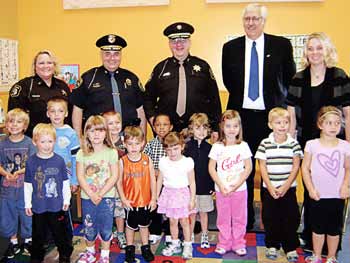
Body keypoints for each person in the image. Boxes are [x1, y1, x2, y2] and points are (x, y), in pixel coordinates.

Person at [221, 3, 296, 230]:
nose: (251, 23)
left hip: (270, 118)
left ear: (263, 21)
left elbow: (288, 77)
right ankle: (245, 220)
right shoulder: (230, 47)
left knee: (271, 169)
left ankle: (271, 220)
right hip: (240, 120)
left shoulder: (281, 45)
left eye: (255, 19)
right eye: (247, 19)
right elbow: (229, 81)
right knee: (242, 168)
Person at [286, 32, 350, 249]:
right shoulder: (298, 78)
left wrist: (349, 146)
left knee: (334, 192)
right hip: (309, 144)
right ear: (305, 53)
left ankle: (333, 240)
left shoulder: (339, 75)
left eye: (319, 48)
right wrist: (291, 145)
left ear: (327, 50)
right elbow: (291, 115)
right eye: (311, 48)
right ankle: (310, 235)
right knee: (312, 189)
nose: (315, 52)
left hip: (335, 145)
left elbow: (348, 115)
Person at [144, 22, 222, 138]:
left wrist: (215, 128)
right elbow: (148, 98)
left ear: (189, 42)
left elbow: (214, 99)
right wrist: (153, 119)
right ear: (169, 44)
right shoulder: (161, 68)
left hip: (196, 131)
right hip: (167, 133)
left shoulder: (202, 66)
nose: (178, 44)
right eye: (174, 41)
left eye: (183, 40)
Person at [70, 34, 147, 137]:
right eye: (107, 54)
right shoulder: (89, 78)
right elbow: (77, 109)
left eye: (116, 54)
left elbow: (140, 110)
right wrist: (78, 138)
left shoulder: (131, 78)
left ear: (120, 55)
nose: (112, 58)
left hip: (129, 139)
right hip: (98, 139)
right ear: (101, 55)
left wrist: (143, 137)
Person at [301, 106, 350, 263]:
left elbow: (348, 168)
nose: (333, 126)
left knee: (334, 230)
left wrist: (345, 186)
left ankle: (331, 256)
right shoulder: (311, 144)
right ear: (320, 124)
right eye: (329, 123)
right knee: (317, 228)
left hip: (337, 195)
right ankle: (316, 254)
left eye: (337, 123)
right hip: (317, 194)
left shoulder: (345, 146)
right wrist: (310, 189)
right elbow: (305, 168)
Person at [255, 107, 303, 262]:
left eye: (286, 122)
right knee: (270, 217)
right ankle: (272, 245)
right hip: (270, 189)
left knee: (290, 217)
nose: (282, 126)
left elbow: (296, 167)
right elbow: (262, 166)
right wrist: (269, 186)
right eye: (278, 122)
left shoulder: (294, 144)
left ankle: (290, 247)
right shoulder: (264, 143)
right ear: (270, 125)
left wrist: (285, 186)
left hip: (288, 189)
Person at [24, 124, 73, 263]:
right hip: (38, 205)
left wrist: (66, 200)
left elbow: (64, 182)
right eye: (43, 141)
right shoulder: (31, 162)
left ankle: (64, 253)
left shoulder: (59, 160)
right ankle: (37, 255)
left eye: (50, 141)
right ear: (35, 142)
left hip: (56, 205)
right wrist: (28, 203)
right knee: (38, 233)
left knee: (59, 232)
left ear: (55, 142)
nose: (47, 145)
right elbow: (27, 185)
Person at [208, 110, 252, 256]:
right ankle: (224, 242)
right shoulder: (217, 147)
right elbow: (211, 168)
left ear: (239, 127)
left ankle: (239, 242)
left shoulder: (243, 146)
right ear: (222, 127)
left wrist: (238, 184)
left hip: (239, 190)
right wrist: (220, 185)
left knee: (240, 218)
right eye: (228, 126)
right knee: (223, 218)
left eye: (235, 126)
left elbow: (249, 167)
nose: (231, 129)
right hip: (222, 190)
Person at [76, 115, 118, 263]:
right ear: (86, 133)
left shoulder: (111, 152)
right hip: (88, 197)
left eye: (100, 131)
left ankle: (105, 255)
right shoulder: (82, 153)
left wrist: (100, 193)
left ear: (106, 132)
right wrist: (91, 193)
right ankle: (90, 252)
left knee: (106, 226)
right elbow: (80, 176)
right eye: (92, 131)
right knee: (89, 225)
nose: (96, 134)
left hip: (106, 196)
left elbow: (114, 176)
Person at [8, 50, 71, 137]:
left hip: (60, 139)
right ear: (35, 66)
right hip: (33, 139)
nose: (46, 66)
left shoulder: (62, 86)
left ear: (54, 66)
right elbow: (14, 116)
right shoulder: (24, 86)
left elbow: (69, 113)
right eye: (41, 63)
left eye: (49, 62)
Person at [116, 126, 156, 263]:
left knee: (144, 226)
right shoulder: (122, 162)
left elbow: (152, 181)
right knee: (130, 227)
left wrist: (154, 199)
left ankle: (146, 247)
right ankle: (130, 249)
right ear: (125, 144)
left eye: (137, 143)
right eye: (130, 144)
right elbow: (118, 182)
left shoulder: (147, 160)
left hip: (145, 201)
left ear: (143, 143)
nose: (134, 147)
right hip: (130, 202)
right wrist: (123, 198)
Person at [0, 109, 36, 260]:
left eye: (18, 122)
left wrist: (19, 172)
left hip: (25, 188)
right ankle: (13, 241)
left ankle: (28, 241)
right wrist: (5, 173)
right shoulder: (2, 144)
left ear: (25, 125)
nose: (14, 125)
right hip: (7, 188)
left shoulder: (29, 143)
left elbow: (33, 163)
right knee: (8, 215)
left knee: (26, 213)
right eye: (11, 121)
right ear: (6, 125)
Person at [157, 132, 196, 259]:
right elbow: (160, 180)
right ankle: (175, 243)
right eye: (169, 150)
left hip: (182, 194)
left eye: (175, 149)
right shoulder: (163, 161)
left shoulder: (187, 162)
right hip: (169, 194)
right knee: (172, 221)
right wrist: (155, 196)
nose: (172, 153)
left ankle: (188, 244)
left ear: (182, 147)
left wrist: (192, 199)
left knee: (184, 221)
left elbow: (192, 182)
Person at [183, 113, 215, 248]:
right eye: (197, 128)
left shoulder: (211, 148)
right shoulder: (186, 148)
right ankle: (189, 235)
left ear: (208, 130)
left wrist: (212, 186)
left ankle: (204, 235)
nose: (201, 131)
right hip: (190, 188)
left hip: (205, 187)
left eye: (204, 128)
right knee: (191, 214)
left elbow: (214, 169)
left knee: (203, 213)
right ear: (191, 129)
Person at [143, 113, 173, 245]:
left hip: (170, 183)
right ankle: (155, 231)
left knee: (170, 209)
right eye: (158, 125)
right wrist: (153, 172)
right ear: (153, 128)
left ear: (171, 127)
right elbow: (145, 162)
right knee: (154, 209)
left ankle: (169, 232)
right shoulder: (150, 145)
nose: (161, 128)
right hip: (154, 184)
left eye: (165, 125)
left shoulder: (174, 144)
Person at [102, 111, 127, 249]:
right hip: (105, 182)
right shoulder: (102, 142)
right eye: (110, 123)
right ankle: (107, 233)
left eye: (117, 122)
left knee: (119, 210)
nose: (114, 126)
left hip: (120, 183)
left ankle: (120, 233)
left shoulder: (125, 141)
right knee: (106, 210)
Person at [47, 98, 80, 192]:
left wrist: (74, 181)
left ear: (66, 113)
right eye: (53, 111)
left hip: (65, 177)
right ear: (48, 113)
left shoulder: (71, 133)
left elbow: (76, 158)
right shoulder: (44, 131)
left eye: (60, 111)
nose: (56, 114)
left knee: (64, 204)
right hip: (47, 175)